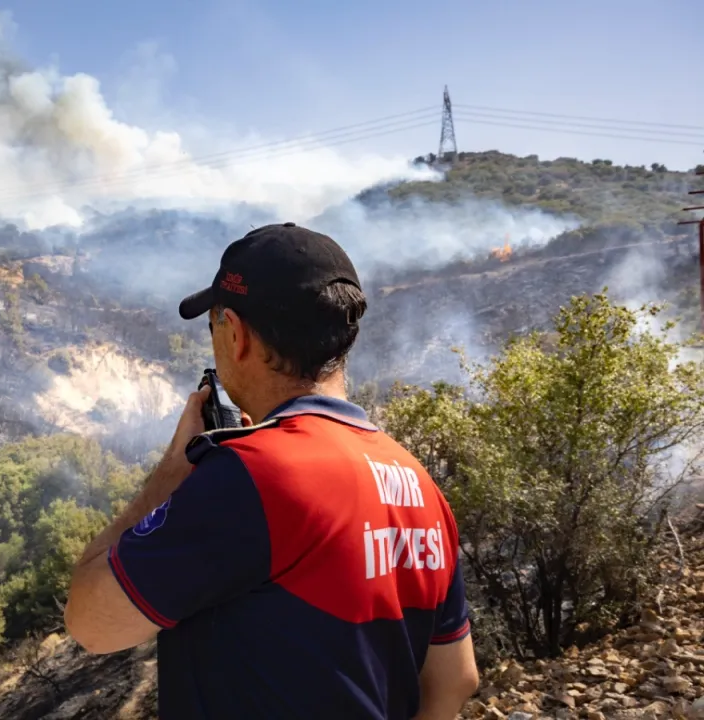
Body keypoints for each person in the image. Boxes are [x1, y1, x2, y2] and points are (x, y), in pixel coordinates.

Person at [63, 223, 479, 719]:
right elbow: (456, 680)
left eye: (214, 326)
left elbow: (91, 622)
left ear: (236, 334)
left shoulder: (251, 476)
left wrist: (171, 474)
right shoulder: (419, 483)